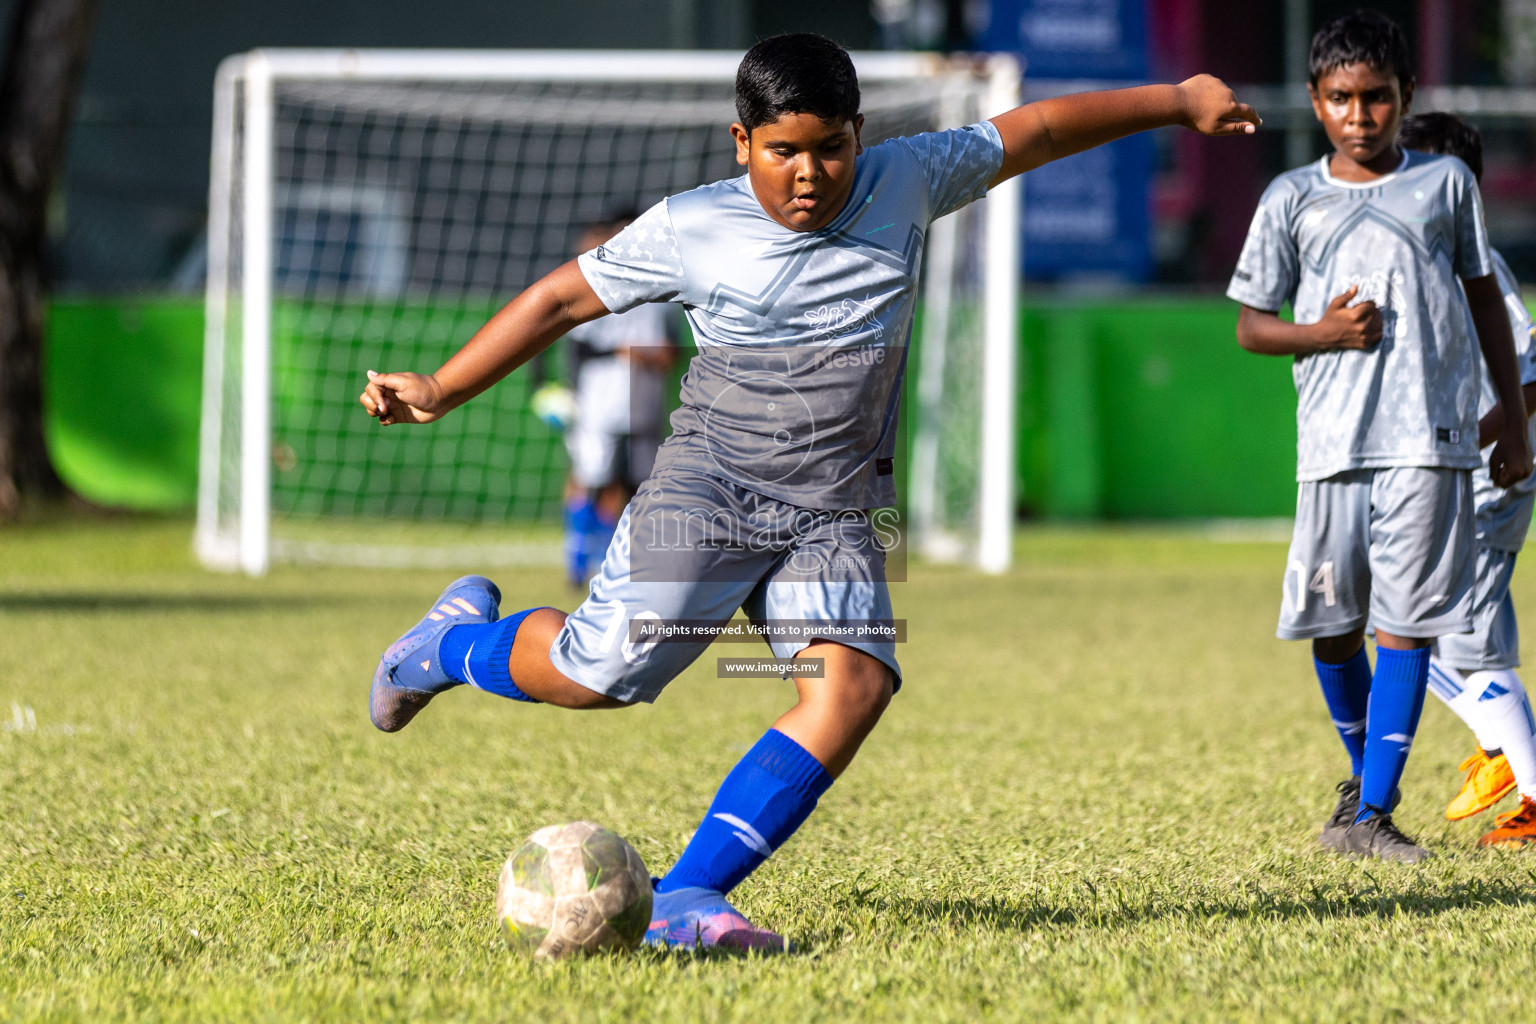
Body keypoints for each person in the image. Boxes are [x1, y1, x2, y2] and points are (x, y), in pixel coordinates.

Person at [361, 32, 1259, 950]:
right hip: (708, 494)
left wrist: (1179, 99)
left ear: (860, 137)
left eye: (830, 147)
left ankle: (682, 897)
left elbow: (1038, 130)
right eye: (783, 150)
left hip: (831, 513)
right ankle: (443, 647)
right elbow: (558, 301)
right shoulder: (692, 226)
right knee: (597, 680)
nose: (809, 173)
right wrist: (439, 386)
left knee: (855, 685)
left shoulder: (908, 178)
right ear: (740, 142)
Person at [1228, 11, 1532, 864]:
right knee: (1334, 628)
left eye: (1376, 98)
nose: (1359, 116)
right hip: (1330, 445)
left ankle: (1371, 815)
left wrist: (1511, 421)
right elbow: (1253, 326)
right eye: (1339, 99)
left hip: (1430, 443)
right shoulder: (1291, 196)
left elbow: (1485, 303)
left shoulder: (1443, 187)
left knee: (1406, 625)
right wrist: (1319, 332)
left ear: (1405, 98)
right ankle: (1363, 791)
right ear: (1317, 102)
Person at [1396, 111, 1536, 848]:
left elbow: (1532, 366)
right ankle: (1499, 754)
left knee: (1436, 639)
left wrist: (1488, 437)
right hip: (1463, 478)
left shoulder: (1478, 265)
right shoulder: (1434, 259)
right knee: (1439, 635)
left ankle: (1519, 771)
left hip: (1488, 479)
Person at [550, 212, 678, 587]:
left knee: (632, 482)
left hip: (642, 402)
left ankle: (610, 561)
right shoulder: (594, 284)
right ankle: (576, 557)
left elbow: (672, 351)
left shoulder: (661, 295)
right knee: (589, 473)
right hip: (597, 401)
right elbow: (577, 348)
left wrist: (650, 357)